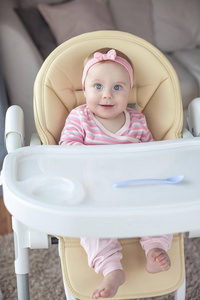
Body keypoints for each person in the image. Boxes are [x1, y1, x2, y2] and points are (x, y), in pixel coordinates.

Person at [59, 48, 172, 299]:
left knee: (160, 206)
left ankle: (155, 247)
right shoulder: (80, 118)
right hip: (95, 194)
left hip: (134, 189)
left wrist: (149, 158)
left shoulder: (138, 120)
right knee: (89, 223)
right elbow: (66, 149)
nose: (107, 94)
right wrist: (96, 159)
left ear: (129, 91)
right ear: (85, 89)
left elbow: (151, 153)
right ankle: (112, 269)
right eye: (97, 86)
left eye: (118, 88)